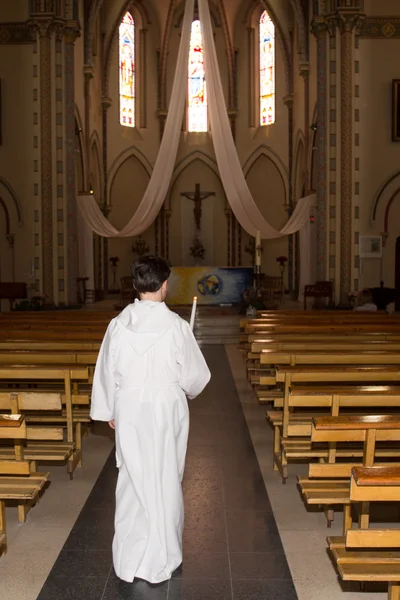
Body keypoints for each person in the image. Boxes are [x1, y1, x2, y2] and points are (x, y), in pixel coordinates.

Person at [90, 256, 211, 584]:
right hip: (165, 407)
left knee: (132, 476)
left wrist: (110, 409)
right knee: (165, 474)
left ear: (135, 285)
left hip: (130, 406)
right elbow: (196, 377)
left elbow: (106, 370)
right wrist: (186, 387)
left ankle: (130, 555)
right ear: (165, 285)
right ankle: (164, 552)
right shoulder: (175, 326)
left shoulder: (117, 324)